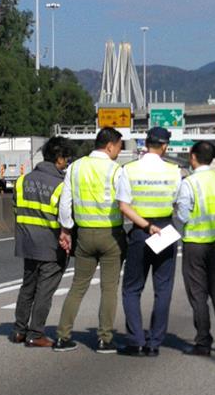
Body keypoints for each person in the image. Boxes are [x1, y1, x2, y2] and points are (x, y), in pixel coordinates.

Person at [54, 128, 142, 353]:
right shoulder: (116, 170)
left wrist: (66, 229)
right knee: (109, 288)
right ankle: (105, 339)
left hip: (84, 234)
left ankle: (62, 337)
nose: (119, 151)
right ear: (110, 146)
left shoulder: (75, 167)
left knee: (77, 286)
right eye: (120, 146)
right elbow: (126, 202)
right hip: (111, 235)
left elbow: (65, 203)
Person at [117, 127, 181, 357]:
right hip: (165, 230)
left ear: (145, 144)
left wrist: (144, 225)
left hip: (140, 231)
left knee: (132, 289)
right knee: (163, 289)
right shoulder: (174, 171)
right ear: (165, 146)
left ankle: (135, 341)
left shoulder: (129, 170)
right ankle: (154, 343)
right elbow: (177, 203)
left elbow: (123, 206)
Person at [9, 137, 73, 347]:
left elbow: (16, 208)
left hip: (27, 242)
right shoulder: (60, 185)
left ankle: (19, 330)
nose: (67, 163)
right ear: (59, 159)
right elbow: (65, 215)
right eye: (66, 159)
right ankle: (36, 334)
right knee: (44, 290)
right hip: (51, 245)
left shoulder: (21, 181)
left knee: (28, 287)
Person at [177, 140, 215, 356]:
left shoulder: (189, 183)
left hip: (194, 243)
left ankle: (203, 342)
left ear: (193, 157)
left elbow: (183, 215)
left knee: (198, 295)